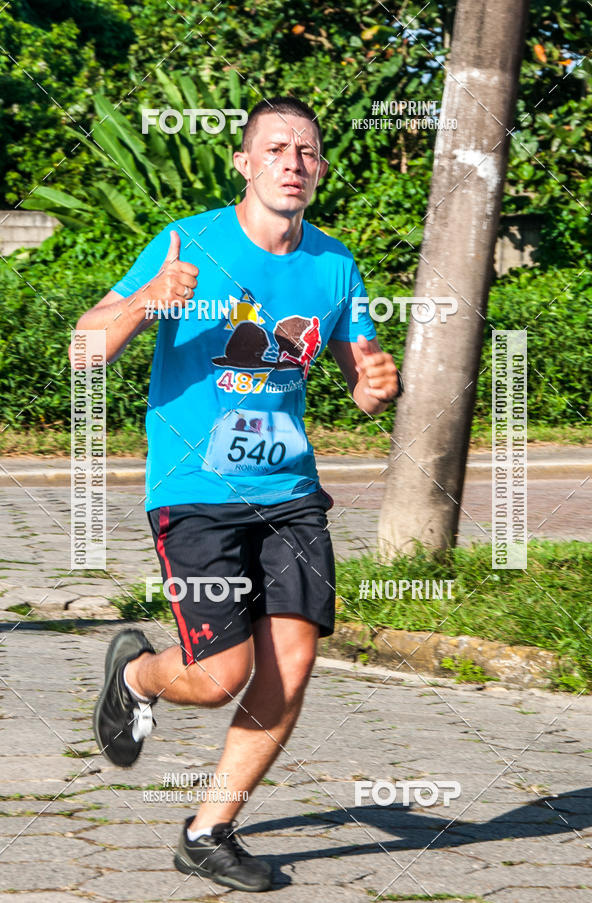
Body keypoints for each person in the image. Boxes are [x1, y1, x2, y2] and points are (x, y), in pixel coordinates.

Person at [75, 96, 402, 893]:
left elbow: (361, 374)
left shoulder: (334, 264)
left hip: (290, 490)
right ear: (245, 164)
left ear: (319, 170)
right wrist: (150, 298)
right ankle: (140, 676)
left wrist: (376, 384)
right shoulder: (189, 242)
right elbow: (86, 349)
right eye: (278, 148)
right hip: (195, 490)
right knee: (219, 674)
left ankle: (208, 829)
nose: (295, 162)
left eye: (309, 151)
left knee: (288, 668)